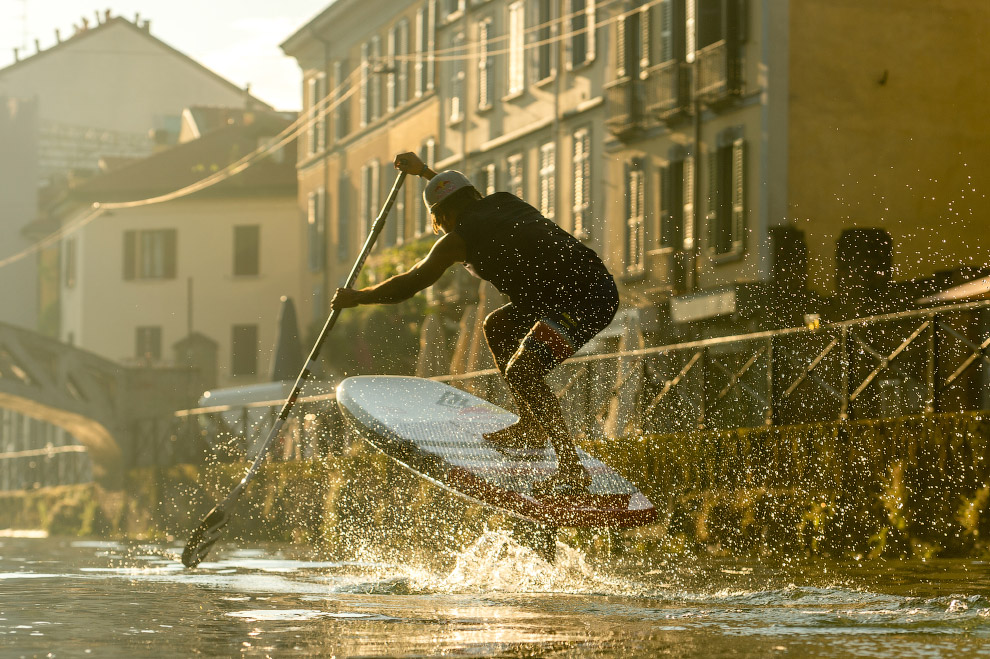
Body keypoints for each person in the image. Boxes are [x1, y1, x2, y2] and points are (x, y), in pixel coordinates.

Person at [331, 152, 619, 496]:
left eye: (440, 221)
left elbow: (410, 282)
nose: (444, 228)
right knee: (497, 326)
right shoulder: (502, 202)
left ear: (443, 217)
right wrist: (425, 173)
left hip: (584, 298)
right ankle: (530, 426)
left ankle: (572, 471)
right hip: (576, 287)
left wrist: (357, 297)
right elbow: (458, 199)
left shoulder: (457, 240)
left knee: (523, 369)